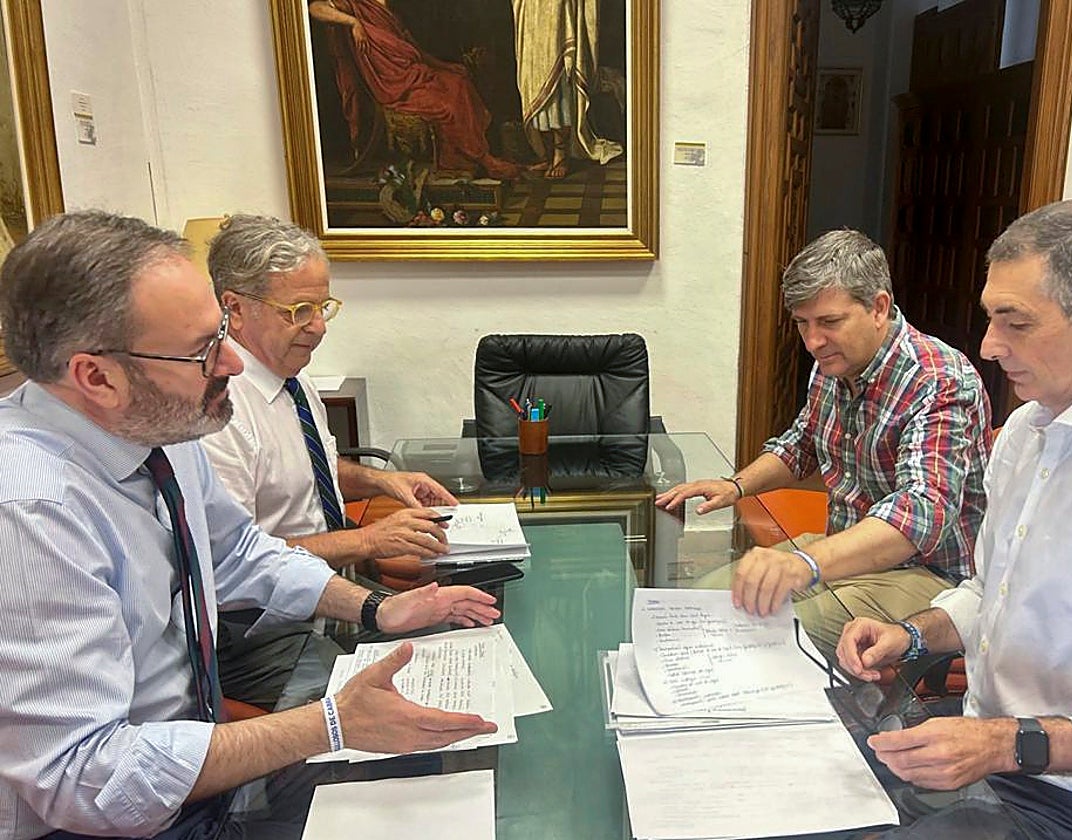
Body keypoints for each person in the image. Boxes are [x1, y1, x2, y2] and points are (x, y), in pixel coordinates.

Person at [0, 210, 501, 839]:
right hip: (111, 822)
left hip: (194, 770)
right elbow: (83, 778)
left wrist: (375, 609)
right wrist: (331, 724)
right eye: (204, 350)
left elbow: (239, 552)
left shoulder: (159, 426)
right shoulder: (30, 511)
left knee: (445, 775)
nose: (233, 363)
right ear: (96, 377)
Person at [837, 199, 1072, 838]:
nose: (988, 345)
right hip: (997, 759)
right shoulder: (1026, 433)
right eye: (989, 318)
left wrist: (1005, 744)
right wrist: (911, 634)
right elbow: (992, 593)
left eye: (1016, 322)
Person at [656, 229, 992, 647]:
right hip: (841, 550)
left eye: (830, 322)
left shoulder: (939, 381)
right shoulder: (834, 363)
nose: (813, 341)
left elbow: (919, 516)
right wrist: (735, 485)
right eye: (802, 324)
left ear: (878, 308)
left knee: (760, 635)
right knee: (698, 606)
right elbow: (802, 444)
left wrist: (805, 563)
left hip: (927, 573)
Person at [199, 214, 461, 708]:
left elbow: (309, 467)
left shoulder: (291, 380)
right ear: (234, 307)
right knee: (397, 707)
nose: (317, 327)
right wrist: (366, 539)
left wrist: (382, 481)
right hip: (264, 629)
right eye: (298, 310)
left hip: (330, 592)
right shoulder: (221, 410)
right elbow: (232, 561)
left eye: (322, 307)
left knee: (460, 631)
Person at [309, 0, 522, 180]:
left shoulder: (386, 7)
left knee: (459, 81)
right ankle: (482, 158)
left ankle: (457, 157)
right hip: (394, 86)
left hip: (415, 73)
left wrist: (444, 66)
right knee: (447, 105)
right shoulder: (354, 5)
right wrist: (353, 23)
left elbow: (414, 49)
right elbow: (314, 8)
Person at [510, 0, 623, 178]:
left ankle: (561, 154)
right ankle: (547, 154)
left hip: (557, 11)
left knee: (559, 84)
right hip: (531, 11)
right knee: (534, 78)